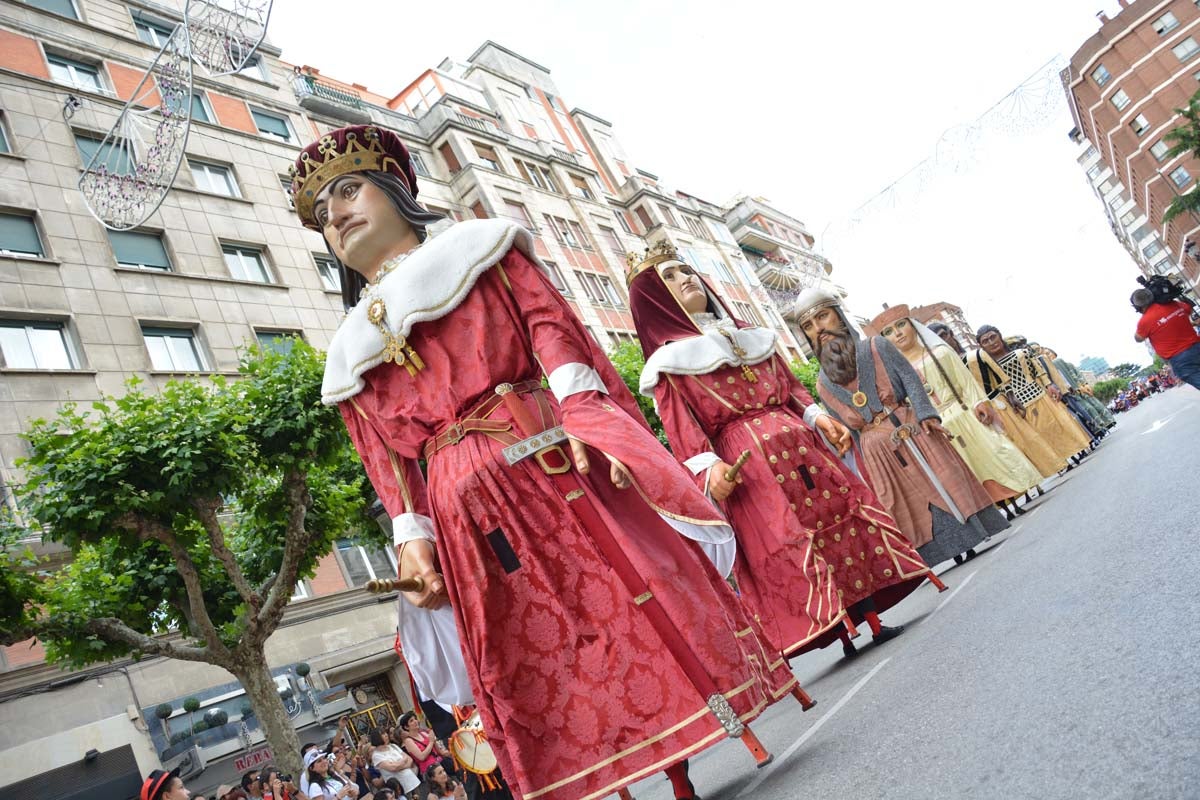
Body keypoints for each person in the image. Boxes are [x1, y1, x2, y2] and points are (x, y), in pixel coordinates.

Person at [290, 124, 794, 800]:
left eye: (349, 192)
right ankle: (601, 779)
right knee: (535, 654)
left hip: (544, 459)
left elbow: (549, 327)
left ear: (393, 191)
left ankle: (686, 750)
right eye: (323, 214)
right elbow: (386, 461)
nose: (337, 216)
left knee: (621, 602)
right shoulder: (349, 348)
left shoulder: (480, 250)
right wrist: (412, 541)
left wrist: (584, 414)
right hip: (461, 511)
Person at [630, 248, 939, 660]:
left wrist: (817, 418)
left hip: (804, 450)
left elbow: (791, 388)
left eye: (686, 269)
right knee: (789, 539)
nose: (685, 277)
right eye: (670, 276)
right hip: (752, 467)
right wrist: (710, 469)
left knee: (842, 522)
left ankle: (873, 617)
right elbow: (683, 429)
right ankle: (839, 629)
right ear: (655, 297)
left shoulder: (752, 338)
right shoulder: (669, 364)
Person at [786, 289, 1008, 568]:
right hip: (877, 453)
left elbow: (911, 380)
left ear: (838, 315)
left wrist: (927, 415)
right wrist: (864, 469)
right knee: (904, 504)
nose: (819, 329)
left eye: (822, 316)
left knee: (945, 480)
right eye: (809, 326)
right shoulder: (822, 385)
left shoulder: (878, 346)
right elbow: (849, 434)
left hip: (912, 428)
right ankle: (935, 554)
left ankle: (970, 534)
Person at [874, 307, 1043, 523]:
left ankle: (1010, 496)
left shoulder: (941, 353)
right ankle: (985, 512)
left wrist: (980, 402)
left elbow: (966, 382)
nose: (897, 333)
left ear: (912, 326)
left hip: (964, 414)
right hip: (935, 427)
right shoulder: (893, 373)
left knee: (990, 456)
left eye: (900, 325)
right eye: (888, 331)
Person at [975, 326, 1092, 467]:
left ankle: (1073, 450)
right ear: (981, 346)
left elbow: (1039, 370)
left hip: (1039, 395)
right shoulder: (988, 367)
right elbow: (995, 387)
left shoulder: (1022, 353)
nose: (991, 342)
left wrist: (1049, 385)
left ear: (1000, 336)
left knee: (1056, 424)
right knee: (1039, 435)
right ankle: (1058, 463)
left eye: (993, 337)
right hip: (1017, 405)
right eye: (985, 341)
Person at [1133, 288, 1200, 390]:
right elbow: (1188, 310)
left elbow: (1138, 338)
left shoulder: (1144, 321)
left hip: (1181, 359)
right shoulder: (1173, 304)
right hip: (1196, 345)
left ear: (1138, 306)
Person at [371, 727, 420, 795]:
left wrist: (399, 764)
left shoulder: (393, 746)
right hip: (400, 787)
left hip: (412, 780)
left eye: (385, 733)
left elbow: (409, 759)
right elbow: (393, 768)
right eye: (382, 734)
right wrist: (404, 761)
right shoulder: (376, 755)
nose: (386, 735)